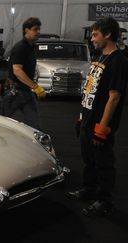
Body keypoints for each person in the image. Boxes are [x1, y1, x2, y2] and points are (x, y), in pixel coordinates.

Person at [68, 17, 127, 216]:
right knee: (88, 159)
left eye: (95, 34)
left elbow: (114, 97)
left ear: (108, 34)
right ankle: (89, 189)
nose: (92, 39)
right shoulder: (99, 56)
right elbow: (89, 89)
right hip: (87, 119)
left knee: (103, 163)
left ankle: (105, 201)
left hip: (100, 124)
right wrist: (81, 115)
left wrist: (103, 127)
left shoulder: (118, 60)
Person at [2, 17, 46, 130]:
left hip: (26, 92)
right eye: (35, 29)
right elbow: (17, 71)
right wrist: (35, 86)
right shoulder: (20, 47)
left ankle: (36, 145)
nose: (38, 32)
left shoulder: (31, 47)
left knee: (35, 126)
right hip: (15, 92)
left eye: (39, 29)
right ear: (26, 30)